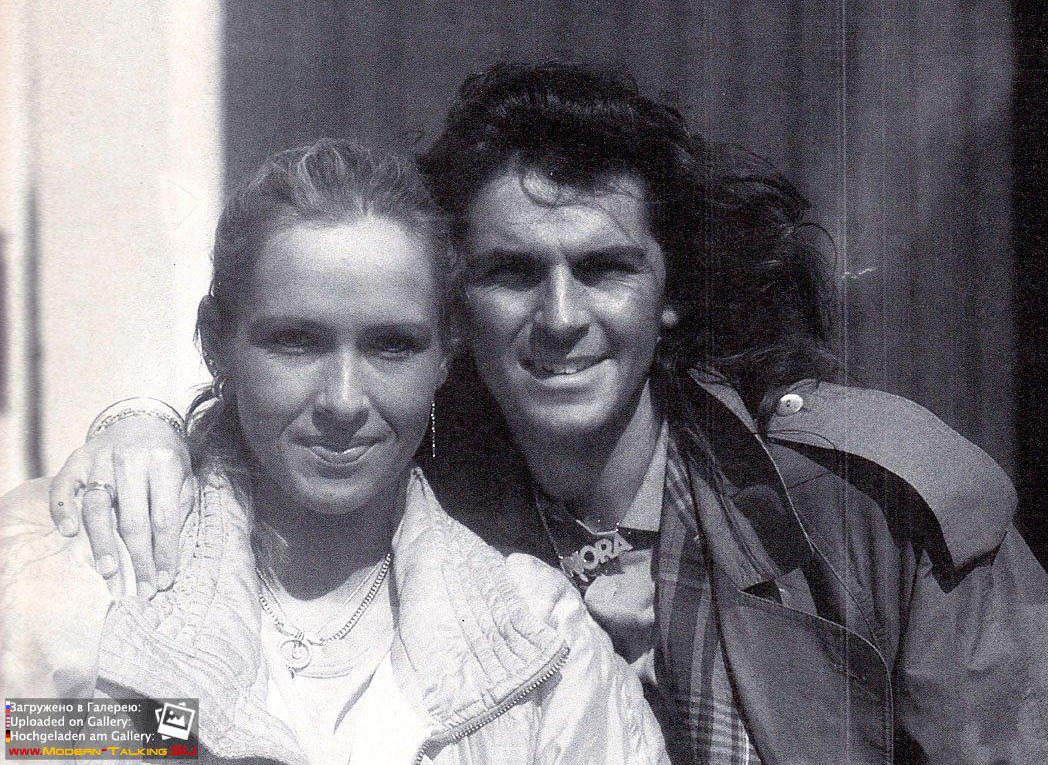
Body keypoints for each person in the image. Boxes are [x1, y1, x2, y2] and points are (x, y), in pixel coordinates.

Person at [46, 64, 1048, 764]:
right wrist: (139, 427)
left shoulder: (865, 505)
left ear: (669, 292)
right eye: (512, 272)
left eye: (604, 268)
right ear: (456, 315)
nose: (561, 318)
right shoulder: (428, 492)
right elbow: (290, 423)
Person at [0, 139, 670, 765]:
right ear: (216, 342)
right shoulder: (70, 580)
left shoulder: (544, 643)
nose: (344, 401)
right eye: (297, 342)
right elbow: (24, 733)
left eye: (392, 346)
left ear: (446, 355)